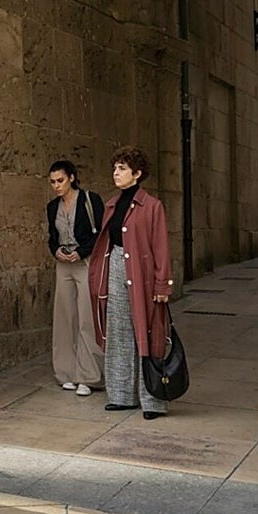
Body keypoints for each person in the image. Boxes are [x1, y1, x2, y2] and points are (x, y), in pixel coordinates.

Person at [88, 146, 174, 420]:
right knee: (118, 331)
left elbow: (161, 247)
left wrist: (163, 285)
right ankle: (122, 395)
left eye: (122, 168)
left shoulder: (152, 206)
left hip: (143, 274)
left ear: (137, 174)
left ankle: (153, 400)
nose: (116, 173)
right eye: (115, 168)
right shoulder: (112, 204)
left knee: (149, 334)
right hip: (115, 267)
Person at [45, 160, 105, 397]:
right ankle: (66, 373)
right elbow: (52, 236)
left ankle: (88, 376)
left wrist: (81, 252)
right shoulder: (52, 207)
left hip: (86, 262)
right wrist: (55, 251)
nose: (56, 186)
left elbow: (101, 232)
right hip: (63, 264)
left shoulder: (91, 200)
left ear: (71, 177)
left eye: (60, 180)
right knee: (64, 316)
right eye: (52, 182)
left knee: (86, 317)